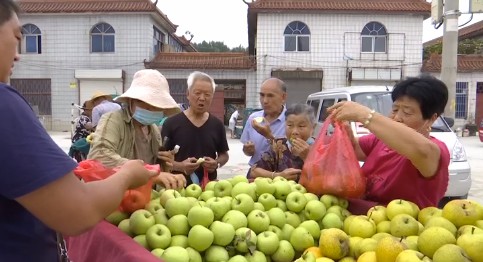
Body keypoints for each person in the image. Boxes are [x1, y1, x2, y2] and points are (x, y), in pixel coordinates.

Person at [0, 2, 160, 261]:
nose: (18, 54)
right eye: (18, 37)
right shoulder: (4, 105)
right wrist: (128, 174)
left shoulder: (154, 130)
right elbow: (78, 211)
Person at [328, 75, 450, 214]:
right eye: (395, 109)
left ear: (431, 119)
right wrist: (346, 134)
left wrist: (364, 115)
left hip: (400, 231)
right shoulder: (380, 140)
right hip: (358, 224)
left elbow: (422, 150)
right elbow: (354, 149)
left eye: (407, 112)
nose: (397, 117)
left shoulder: (434, 151)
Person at [87, 69, 186, 189]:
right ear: (131, 101)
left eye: (156, 104)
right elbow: (100, 156)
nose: (150, 108)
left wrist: (165, 166)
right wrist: (148, 173)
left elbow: (154, 172)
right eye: (143, 102)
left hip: (138, 198)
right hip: (110, 194)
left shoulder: (154, 131)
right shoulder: (113, 120)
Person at [162, 71, 229, 185]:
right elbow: (161, 159)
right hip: (177, 188)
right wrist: (180, 166)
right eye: (197, 93)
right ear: (188, 94)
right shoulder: (171, 123)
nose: (202, 98)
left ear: (212, 96)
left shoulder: (217, 125)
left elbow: (224, 155)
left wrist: (216, 164)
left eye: (207, 94)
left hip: (210, 189)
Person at [251, 103, 315, 181]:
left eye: (301, 126)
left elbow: (325, 180)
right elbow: (254, 171)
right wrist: (278, 175)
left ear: (313, 128)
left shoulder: (321, 149)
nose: (294, 132)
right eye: (290, 125)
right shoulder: (279, 145)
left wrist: (307, 158)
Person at [240, 77, 287, 177]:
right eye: (262, 95)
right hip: (255, 174)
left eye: (270, 96)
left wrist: (269, 136)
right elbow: (247, 152)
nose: (265, 101)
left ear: (283, 97)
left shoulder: (291, 121)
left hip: (281, 177)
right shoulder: (253, 118)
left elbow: (291, 155)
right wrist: (248, 150)